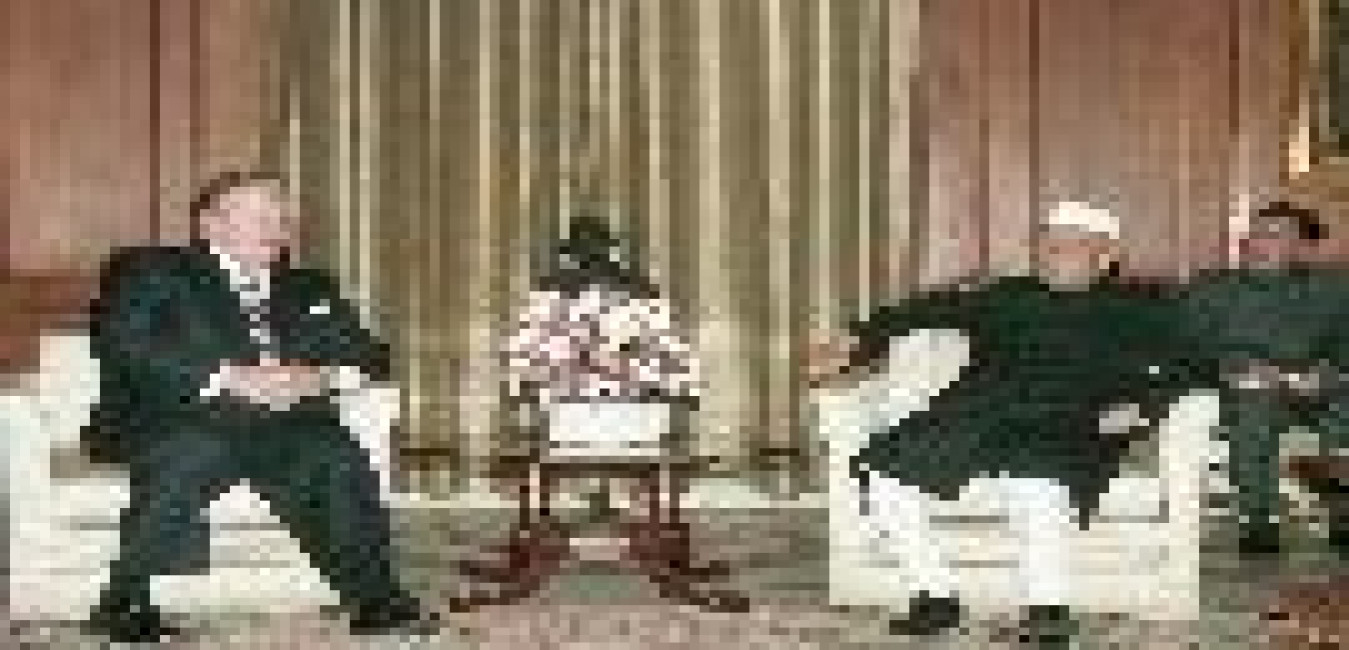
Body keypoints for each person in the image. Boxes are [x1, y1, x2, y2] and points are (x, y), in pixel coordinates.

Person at [810, 201, 1191, 648]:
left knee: (1035, 483)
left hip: (1071, 420)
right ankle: (934, 594)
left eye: (1068, 247)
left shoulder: (1140, 310)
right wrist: (856, 339)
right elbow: (923, 311)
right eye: (1047, 246)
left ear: (1105, 256)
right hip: (977, 413)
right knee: (884, 471)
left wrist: (1143, 407)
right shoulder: (1006, 295)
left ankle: (1048, 608)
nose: (1052, 256)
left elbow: (1190, 367)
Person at [83, 171, 436, 642]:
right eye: (262, 216)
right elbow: (123, 342)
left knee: (335, 452)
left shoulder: (310, 286)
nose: (278, 228)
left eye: (284, 218)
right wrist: (229, 378)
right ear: (211, 224)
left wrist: (320, 378)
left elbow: (372, 356)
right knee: (196, 450)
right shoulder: (152, 269)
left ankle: (377, 601)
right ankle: (123, 602)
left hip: (283, 422)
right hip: (174, 413)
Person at [1180, 200, 1349, 556]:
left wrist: (1328, 374)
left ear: (1302, 246)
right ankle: (1258, 522)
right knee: (1255, 406)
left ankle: (1340, 510)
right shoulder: (1211, 289)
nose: (1261, 241)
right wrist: (1230, 370)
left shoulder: (1333, 290)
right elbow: (1184, 350)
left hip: (1313, 387)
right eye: (1256, 233)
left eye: (1276, 234)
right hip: (1242, 388)